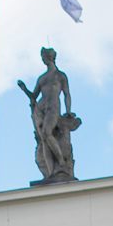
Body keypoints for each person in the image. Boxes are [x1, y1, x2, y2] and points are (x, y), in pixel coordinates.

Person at [17, 48, 78, 183]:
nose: (42, 59)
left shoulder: (60, 75)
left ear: (49, 57)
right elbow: (33, 96)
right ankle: (50, 173)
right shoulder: (42, 78)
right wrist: (23, 88)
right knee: (44, 139)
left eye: (43, 56)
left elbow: (67, 94)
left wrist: (68, 111)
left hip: (53, 108)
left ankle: (61, 161)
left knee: (47, 133)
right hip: (41, 108)